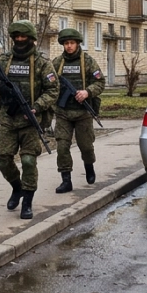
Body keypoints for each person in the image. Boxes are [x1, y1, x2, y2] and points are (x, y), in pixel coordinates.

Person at [0, 20, 58, 219]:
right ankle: (17, 187)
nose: (20, 40)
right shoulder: (5, 60)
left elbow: (53, 90)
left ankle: (27, 201)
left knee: (29, 161)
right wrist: (1, 88)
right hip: (8, 119)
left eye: (24, 37)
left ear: (31, 39)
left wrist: (36, 107)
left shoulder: (42, 62)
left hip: (31, 121)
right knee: (2, 159)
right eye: (17, 37)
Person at [51, 28, 105, 193]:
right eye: (66, 43)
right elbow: (49, 84)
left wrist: (87, 92)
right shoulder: (57, 63)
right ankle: (66, 180)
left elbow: (100, 82)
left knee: (86, 146)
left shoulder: (88, 61)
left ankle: (89, 166)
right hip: (63, 113)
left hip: (83, 114)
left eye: (72, 43)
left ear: (77, 44)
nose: (69, 46)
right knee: (62, 147)